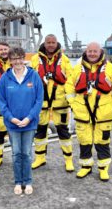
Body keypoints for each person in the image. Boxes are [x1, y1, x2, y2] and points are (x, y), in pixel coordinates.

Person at [65, 42, 112, 181]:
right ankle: (85, 166)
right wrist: (73, 103)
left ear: (100, 52)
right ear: (86, 52)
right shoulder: (77, 68)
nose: (92, 54)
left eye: (95, 51)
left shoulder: (110, 68)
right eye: (90, 51)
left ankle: (103, 169)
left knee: (102, 142)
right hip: (82, 113)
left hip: (103, 114)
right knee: (84, 141)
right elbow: (69, 86)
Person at [0, 47, 43, 195]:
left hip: (30, 123)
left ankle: (28, 181)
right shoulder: (5, 78)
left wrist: (29, 117)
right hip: (13, 124)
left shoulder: (34, 76)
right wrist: (11, 118)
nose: (17, 61)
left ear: (24, 58)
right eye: (14, 58)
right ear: (10, 60)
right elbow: (1, 102)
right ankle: (18, 181)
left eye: (19, 58)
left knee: (27, 153)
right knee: (16, 154)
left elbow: (39, 100)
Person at [30, 34, 74, 172]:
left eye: (53, 42)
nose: (50, 45)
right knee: (40, 131)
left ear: (57, 43)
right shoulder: (34, 59)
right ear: (44, 43)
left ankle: (68, 160)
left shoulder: (65, 60)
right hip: (41, 103)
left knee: (63, 132)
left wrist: (71, 100)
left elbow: (71, 81)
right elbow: (29, 81)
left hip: (60, 103)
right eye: (48, 42)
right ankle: (40, 158)